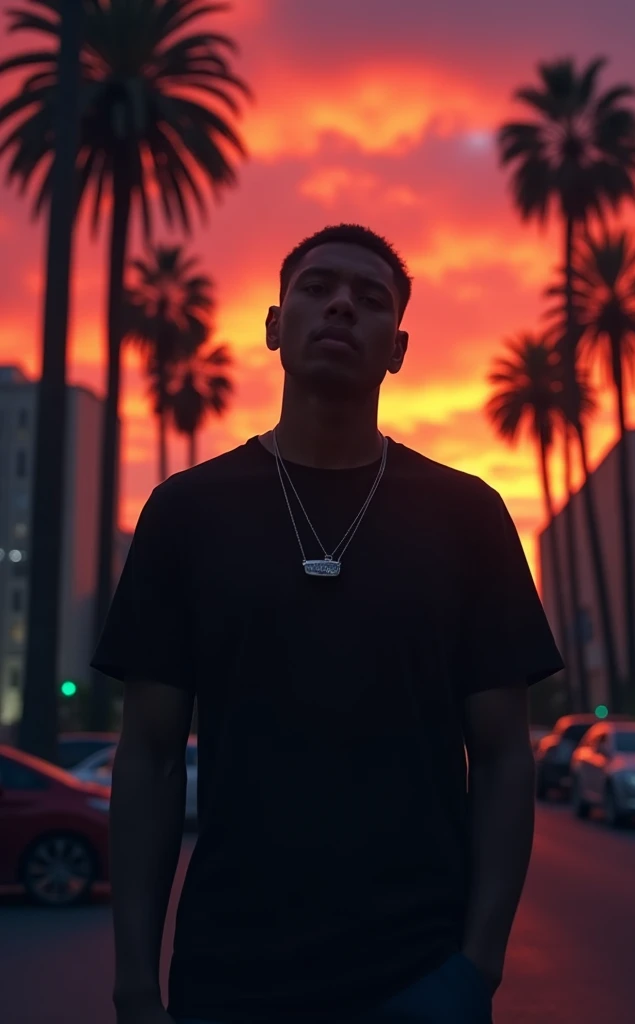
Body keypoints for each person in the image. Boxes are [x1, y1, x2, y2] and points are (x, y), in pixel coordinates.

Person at [93, 223, 564, 1024]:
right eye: (317, 288)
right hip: (229, 974)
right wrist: (135, 980)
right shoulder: (187, 512)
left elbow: (502, 759)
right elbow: (148, 758)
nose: (341, 305)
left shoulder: (469, 516)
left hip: (419, 976)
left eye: (369, 298)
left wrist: (476, 967)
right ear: (276, 326)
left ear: (398, 348)